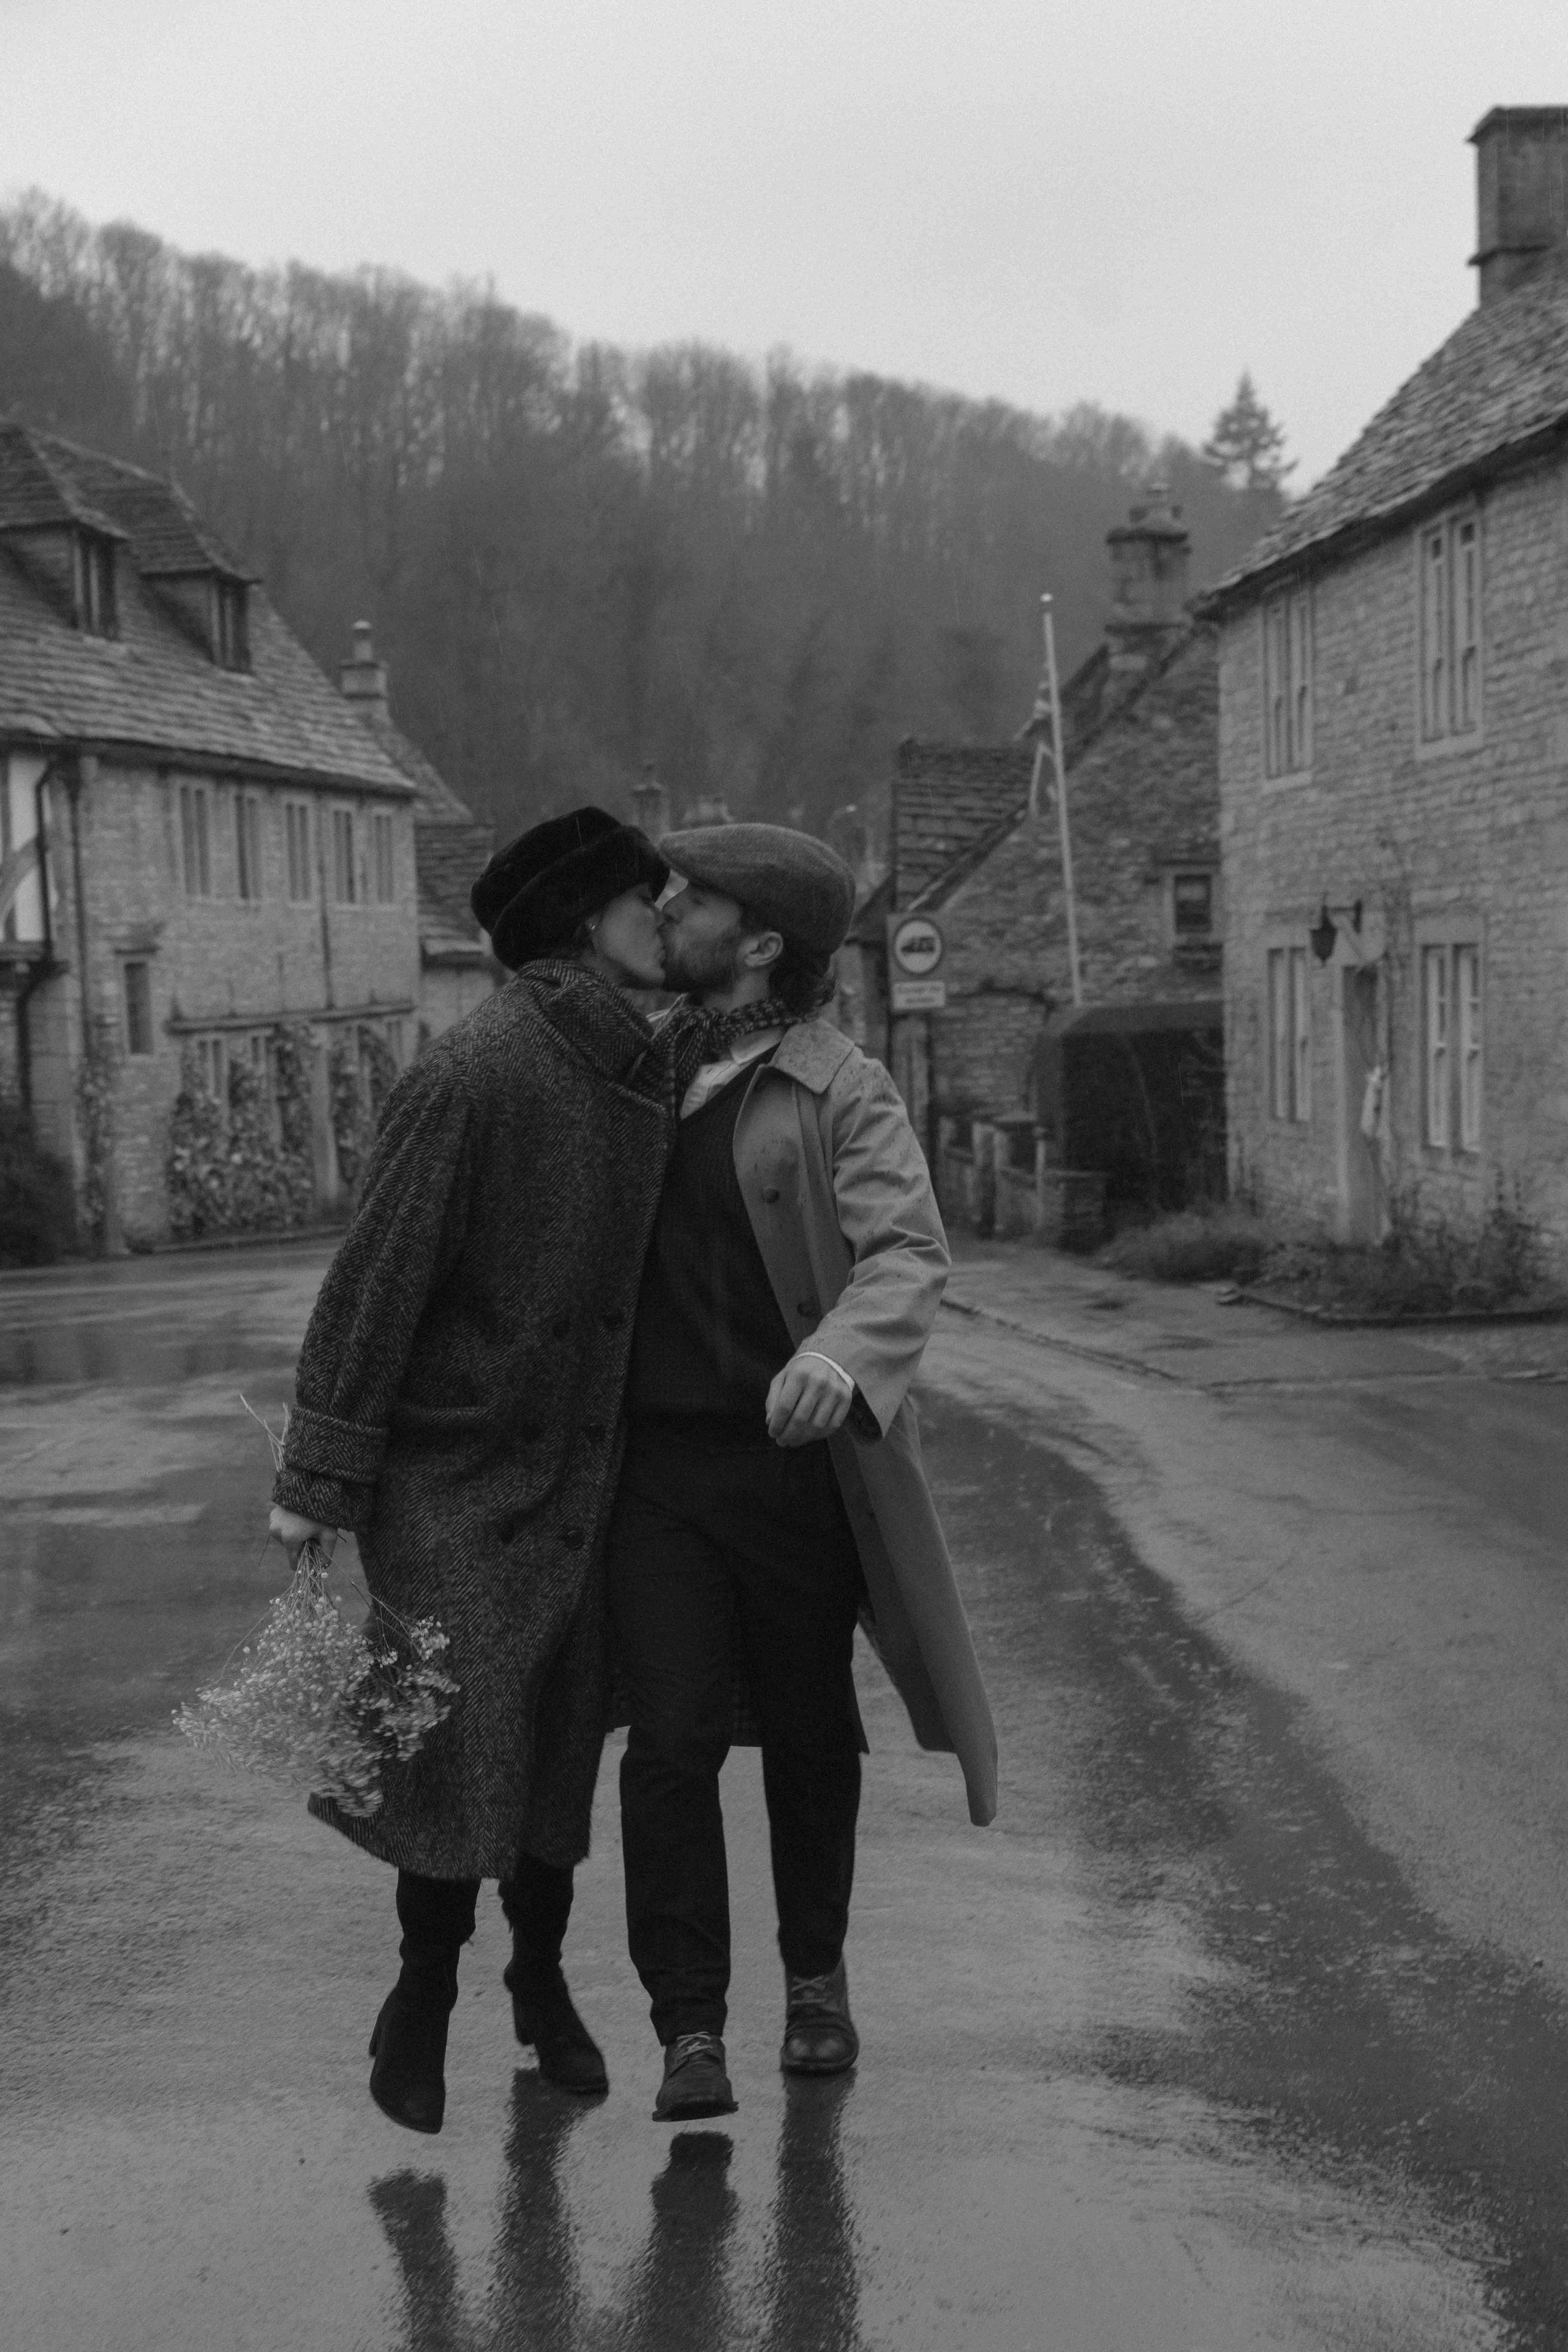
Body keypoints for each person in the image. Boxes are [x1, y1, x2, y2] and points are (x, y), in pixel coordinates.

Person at [268, 806, 673, 2135]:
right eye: (646, 902)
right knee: (458, 1742)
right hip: (455, 1477)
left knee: (558, 1743)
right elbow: (375, 1279)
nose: (665, 921)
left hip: (585, 1474)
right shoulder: (474, 1073)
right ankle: (422, 1991)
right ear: (587, 922)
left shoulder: (646, 1066)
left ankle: (539, 1982)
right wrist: (319, 1479)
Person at [608, 821, 998, 2123]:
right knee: (668, 1740)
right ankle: (688, 2026)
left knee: (808, 1730)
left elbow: (907, 1251)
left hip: (792, 1476)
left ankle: (816, 1981)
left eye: (694, 897)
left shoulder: (843, 1090)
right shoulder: (631, 1069)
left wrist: (840, 1355)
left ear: (762, 941)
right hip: (654, 1473)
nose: (667, 908)